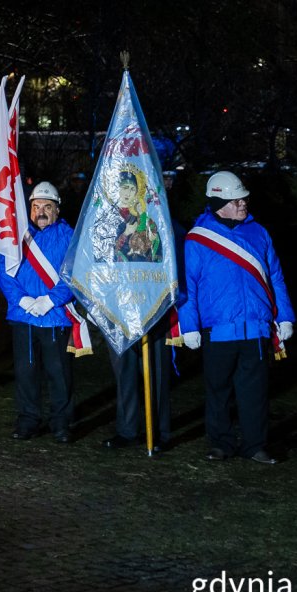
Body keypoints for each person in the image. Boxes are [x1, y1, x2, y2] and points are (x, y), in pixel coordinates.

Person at [179, 170, 295, 464]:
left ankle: (255, 445)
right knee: (218, 391)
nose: (244, 204)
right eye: (237, 200)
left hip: (255, 329)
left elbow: (276, 278)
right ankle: (221, 443)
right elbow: (187, 286)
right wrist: (189, 326)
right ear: (219, 203)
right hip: (217, 331)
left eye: (244, 199)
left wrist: (285, 317)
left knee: (254, 391)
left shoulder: (259, 233)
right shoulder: (196, 239)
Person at [102, 172, 185, 453]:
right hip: (119, 310)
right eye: (121, 188)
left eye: (130, 187)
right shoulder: (108, 223)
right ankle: (128, 429)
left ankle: (159, 431)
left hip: (152, 310)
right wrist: (123, 236)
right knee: (124, 373)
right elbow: (102, 261)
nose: (125, 192)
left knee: (156, 375)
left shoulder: (160, 222)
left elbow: (170, 261)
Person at [0, 181, 77, 443]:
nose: (41, 211)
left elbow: (75, 273)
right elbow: (3, 269)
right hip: (24, 317)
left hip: (54, 316)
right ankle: (28, 419)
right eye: (36, 206)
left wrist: (50, 301)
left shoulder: (68, 236)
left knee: (59, 373)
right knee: (26, 372)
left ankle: (61, 422)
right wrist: (22, 301)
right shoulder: (15, 235)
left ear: (57, 210)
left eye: (47, 207)